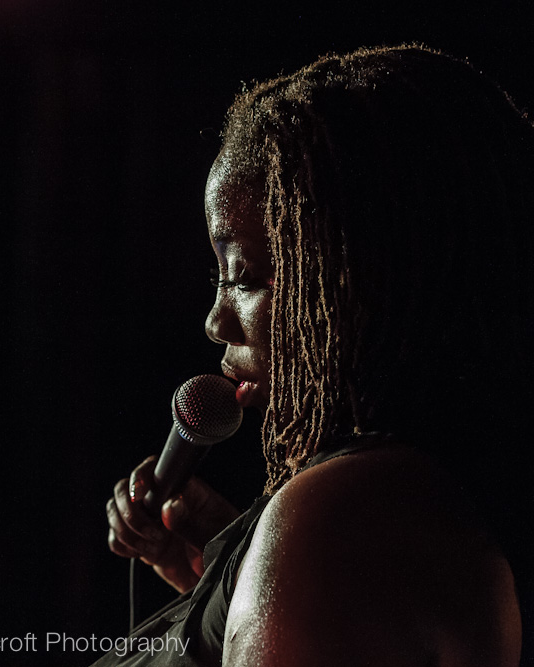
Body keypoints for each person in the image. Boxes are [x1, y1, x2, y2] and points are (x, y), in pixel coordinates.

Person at [100, 44, 534, 666]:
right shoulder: (430, 502)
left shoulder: (342, 521)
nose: (216, 321)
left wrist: (290, 554)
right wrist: (221, 581)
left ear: (362, 279)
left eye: (243, 275)